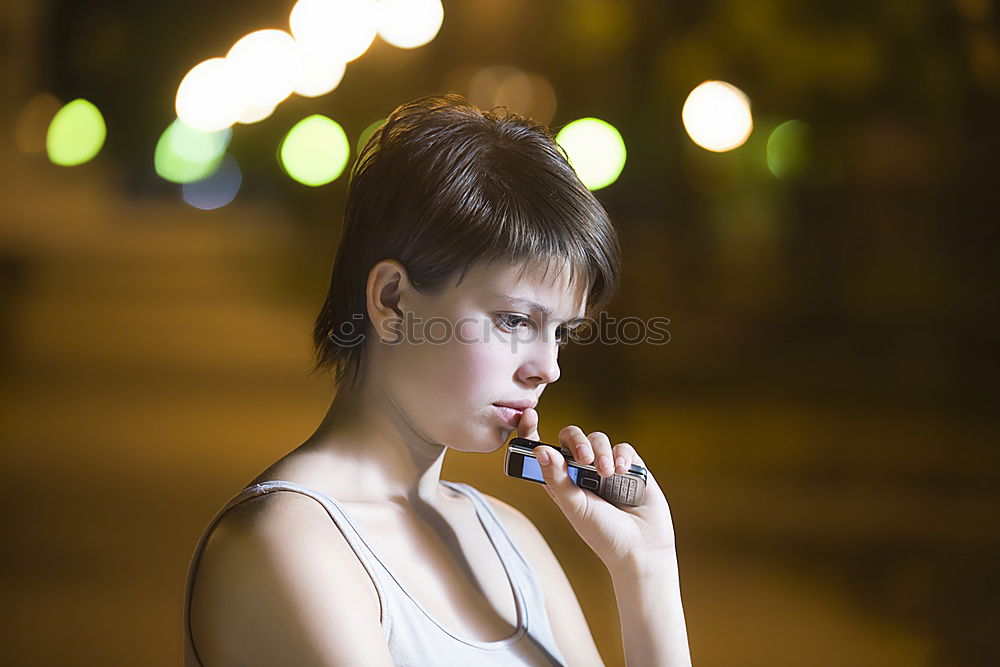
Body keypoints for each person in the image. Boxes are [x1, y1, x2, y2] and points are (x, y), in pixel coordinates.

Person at [183, 93, 691, 666]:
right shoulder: (289, 542)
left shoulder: (511, 540)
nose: (548, 368)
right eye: (515, 321)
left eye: (561, 332)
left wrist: (646, 568)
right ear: (392, 301)